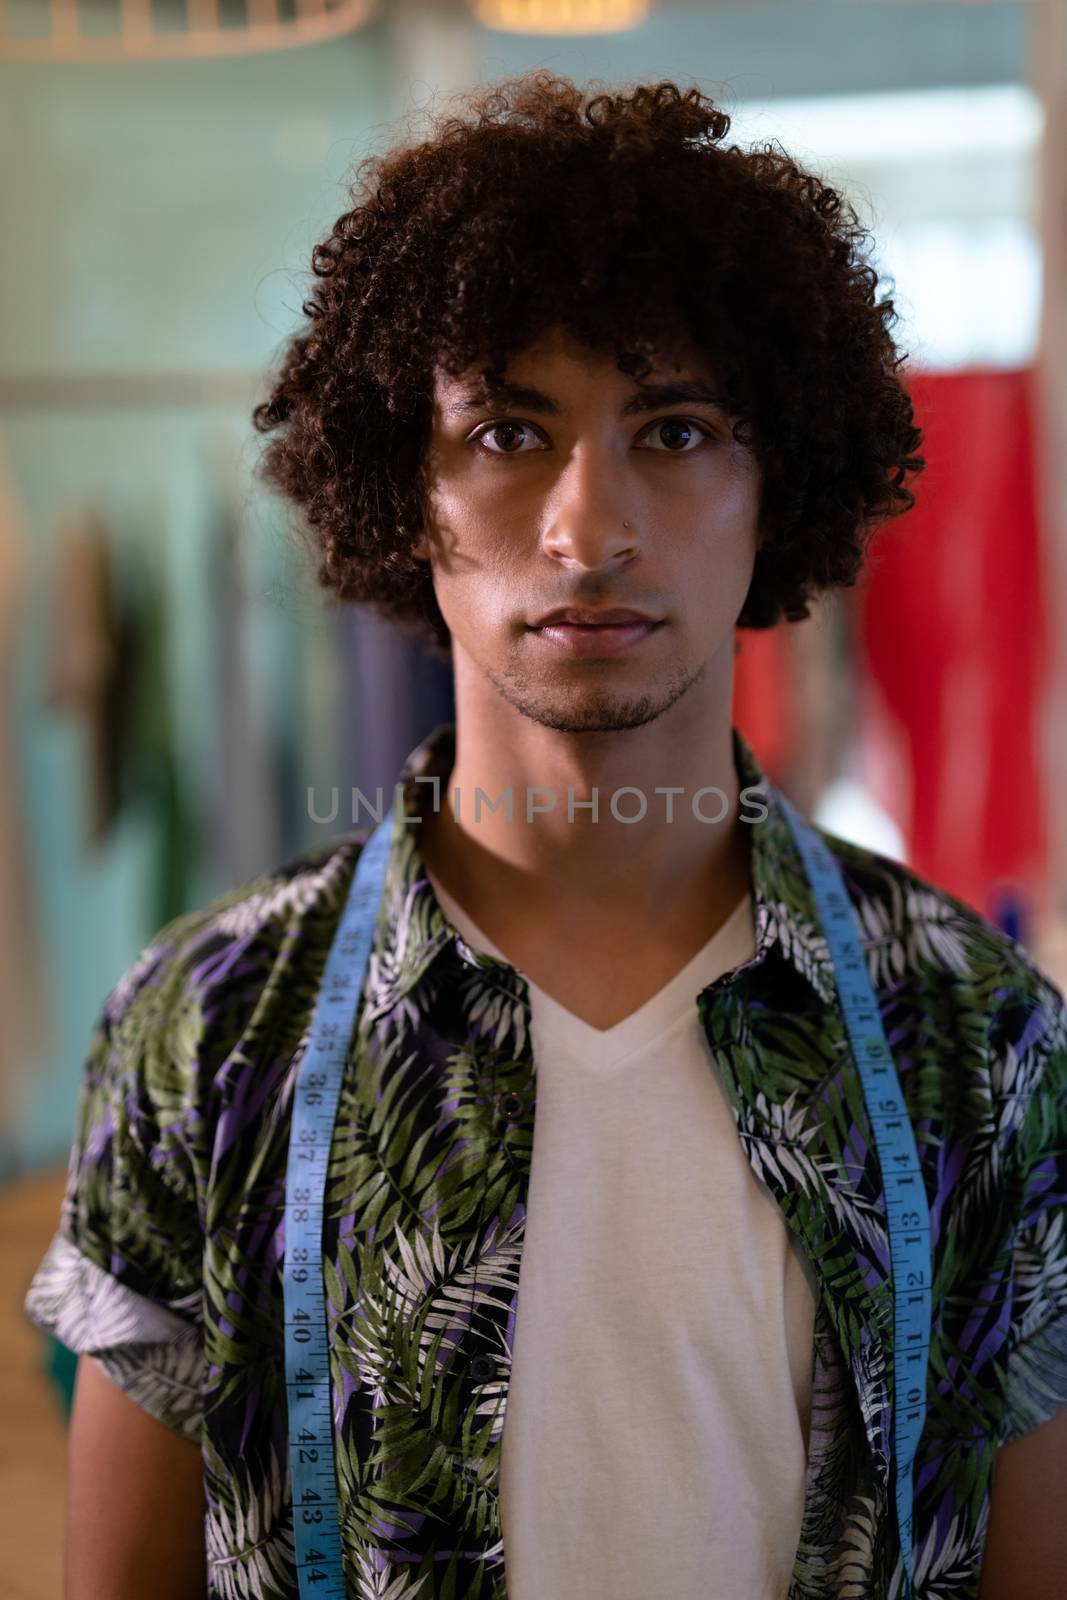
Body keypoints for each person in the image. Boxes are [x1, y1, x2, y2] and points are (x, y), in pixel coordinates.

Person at [24, 71, 1067, 1600]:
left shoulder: (975, 1033)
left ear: (778, 486)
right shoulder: (209, 1026)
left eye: (679, 426)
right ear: (406, 485)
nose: (590, 526)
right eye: (510, 431)